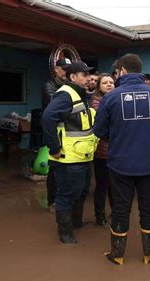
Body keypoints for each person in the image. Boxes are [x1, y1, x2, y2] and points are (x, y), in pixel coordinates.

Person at [94, 54, 150, 265]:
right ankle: (148, 253)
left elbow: (99, 130)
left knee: (120, 207)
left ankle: (117, 255)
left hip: (120, 162)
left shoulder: (110, 97)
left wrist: (118, 138)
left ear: (123, 71)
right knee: (148, 207)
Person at [42, 61, 98, 244]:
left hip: (81, 156)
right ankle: (65, 235)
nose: (88, 77)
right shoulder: (66, 94)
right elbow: (48, 117)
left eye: (88, 74)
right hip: (67, 159)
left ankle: (76, 223)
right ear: (73, 77)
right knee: (67, 195)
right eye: (84, 75)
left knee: (81, 192)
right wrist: (54, 148)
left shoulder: (81, 95)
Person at [42, 58, 72, 212]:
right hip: (54, 134)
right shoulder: (50, 86)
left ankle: (62, 199)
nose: (66, 72)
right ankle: (51, 201)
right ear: (56, 69)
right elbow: (57, 109)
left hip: (67, 136)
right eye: (64, 69)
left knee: (64, 170)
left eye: (69, 69)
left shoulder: (68, 86)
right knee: (54, 169)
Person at [90, 73, 115, 226]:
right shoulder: (96, 102)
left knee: (115, 185)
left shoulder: (116, 98)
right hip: (101, 150)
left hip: (116, 150)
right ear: (99, 86)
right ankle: (99, 216)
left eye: (111, 82)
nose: (109, 84)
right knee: (102, 185)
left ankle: (115, 212)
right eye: (105, 82)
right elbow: (105, 122)